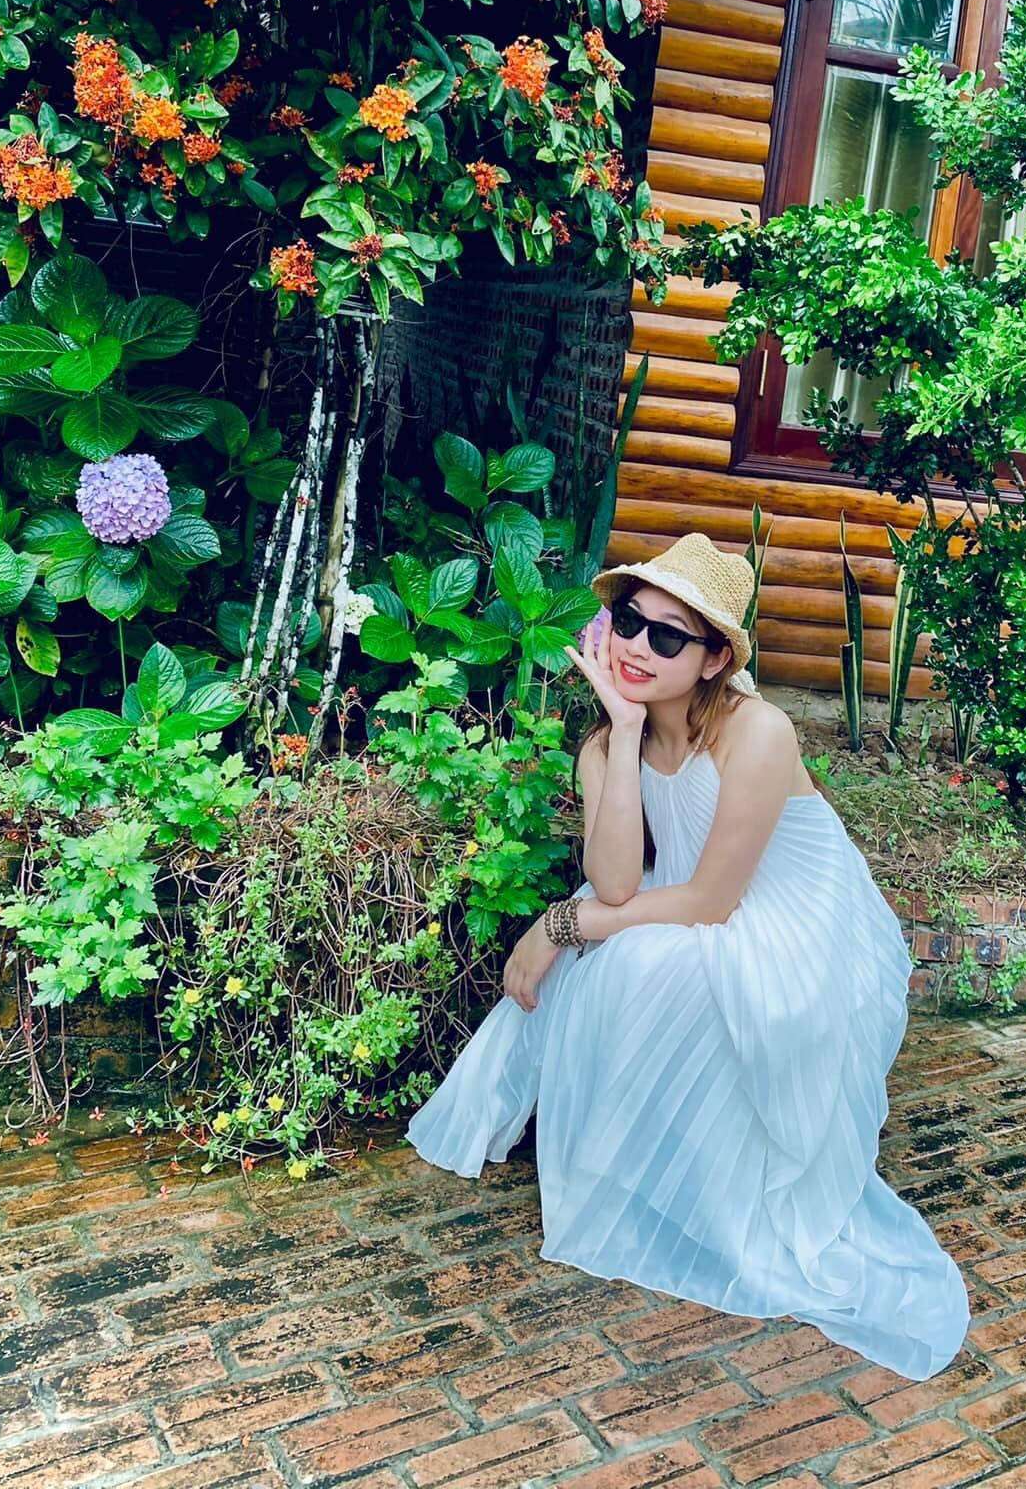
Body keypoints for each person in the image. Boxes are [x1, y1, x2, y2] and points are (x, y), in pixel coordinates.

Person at [404, 532, 970, 1378]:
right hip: (693, 899)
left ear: (713, 660)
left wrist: (557, 924)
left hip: (803, 924)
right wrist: (624, 733)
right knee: (619, 955)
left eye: (669, 637)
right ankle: (638, 1159)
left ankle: (685, 1171)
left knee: (630, 959)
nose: (638, 647)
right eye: (630, 622)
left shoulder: (759, 731)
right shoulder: (606, 744)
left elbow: (711, 902)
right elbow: (618, 882)